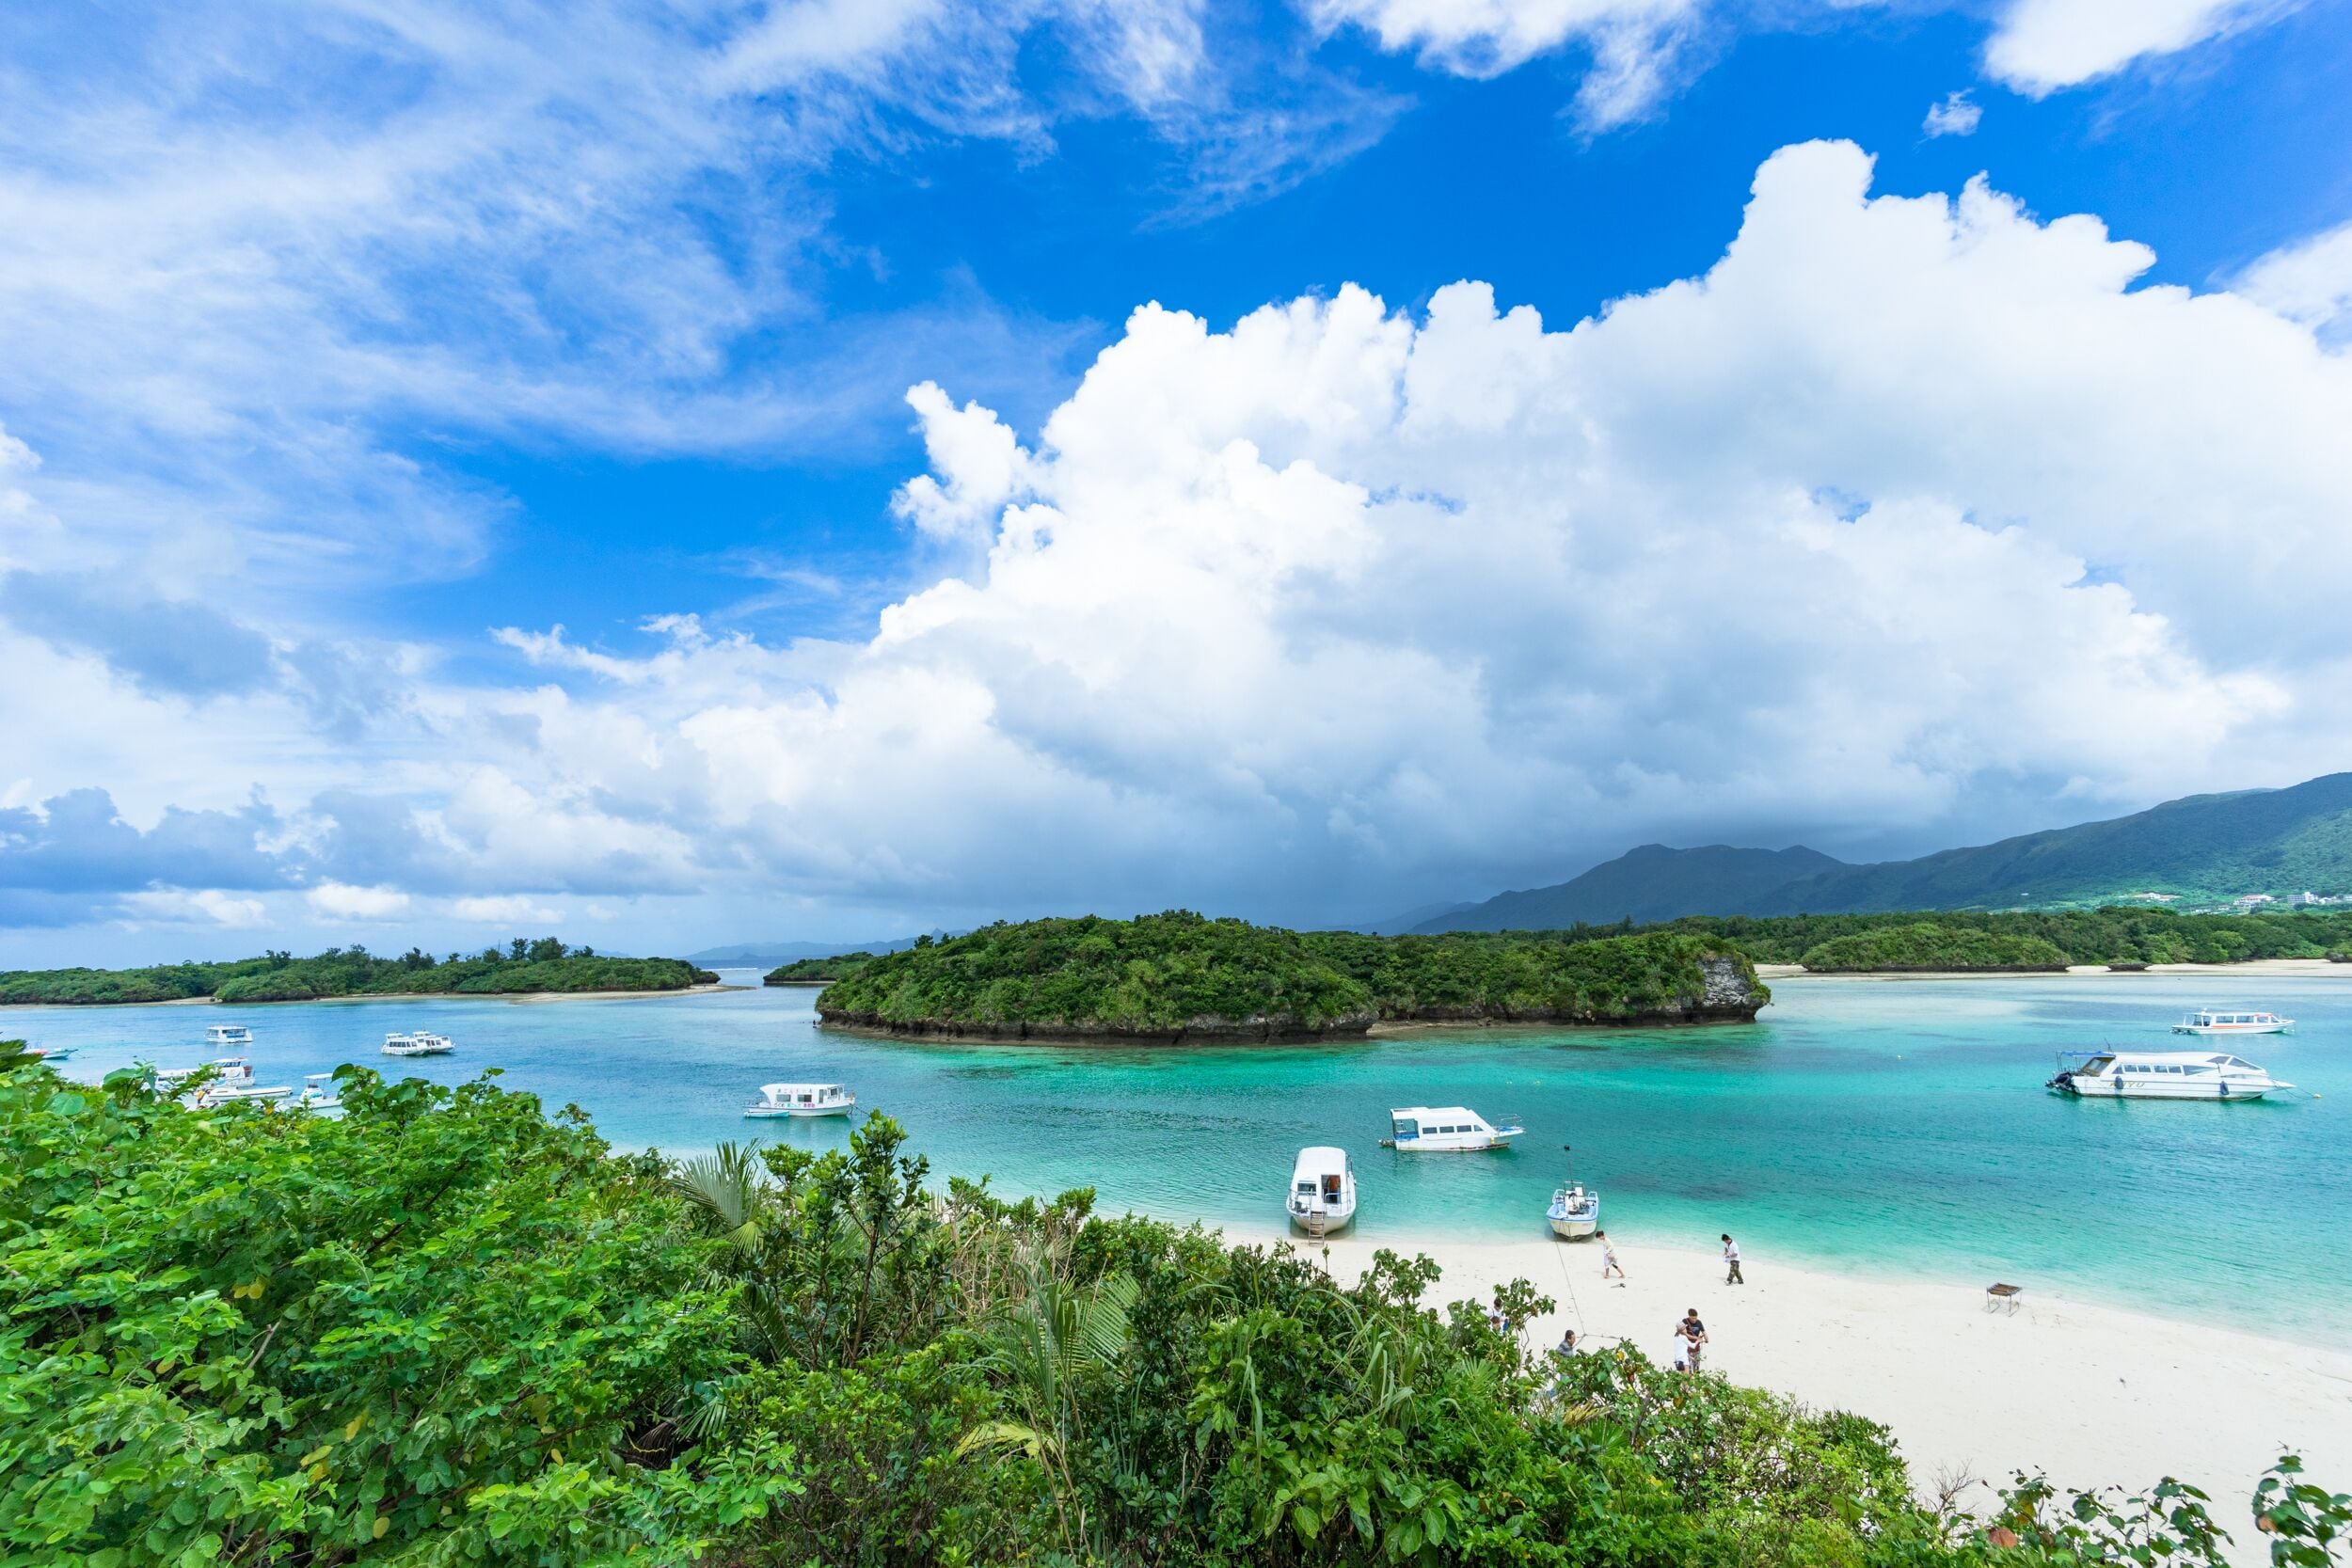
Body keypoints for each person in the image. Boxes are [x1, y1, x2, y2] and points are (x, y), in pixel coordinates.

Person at [1676, 1308, 1708, 1372]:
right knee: (1688, 1367)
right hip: (1687, 1347)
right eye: (1692, 1318)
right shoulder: (1685, 1321)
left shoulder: (1699, 1322)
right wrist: (1697, 1339)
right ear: (1689, 1316)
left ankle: (1696, 1380)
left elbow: (1703, 1331)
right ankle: (1689, 1379)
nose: (1694, 1320)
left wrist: (1706, 1339)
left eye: (1695, 1318)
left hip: (1696, 1347)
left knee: (1696, 1366)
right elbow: (1685, 1334)